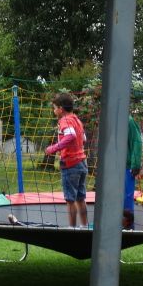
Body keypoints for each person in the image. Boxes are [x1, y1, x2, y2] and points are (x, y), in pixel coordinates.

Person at [45, 93, 89, 228]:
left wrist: (53, 148)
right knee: (81, 198)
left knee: (70, 200)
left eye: (54, 108)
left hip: (71, 164)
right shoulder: (77, 120)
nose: (54, 111)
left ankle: (72, 229)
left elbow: (70, 136)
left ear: (61, 109)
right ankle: (85, 226)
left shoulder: (64, 120)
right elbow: (84, 139)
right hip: (82, 162)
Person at [124, 116, 142, 230]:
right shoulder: (111, 120)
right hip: (113, 167)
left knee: (127, 197)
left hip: (127, 167)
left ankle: (129, 227)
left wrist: (135, 164)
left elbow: (137, 142)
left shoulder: (129, 121)